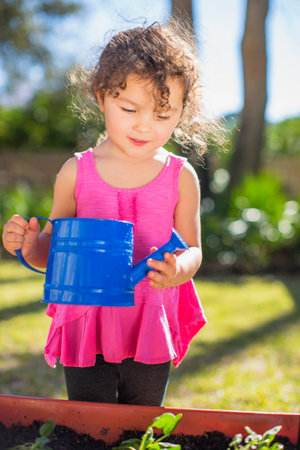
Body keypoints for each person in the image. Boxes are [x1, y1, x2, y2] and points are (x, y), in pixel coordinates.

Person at [2, 20, 217, 406]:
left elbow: (194, 249)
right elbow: (55, 252)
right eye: (129, 108)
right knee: (87, 420)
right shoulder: (76, 172)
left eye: (163, 115)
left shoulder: (180, 176)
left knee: (141, 420)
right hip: (88, 318)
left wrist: (178, 270)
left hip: (149, 318)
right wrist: (31, 246)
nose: (143, 125)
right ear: (102, 96)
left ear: (182, 112)